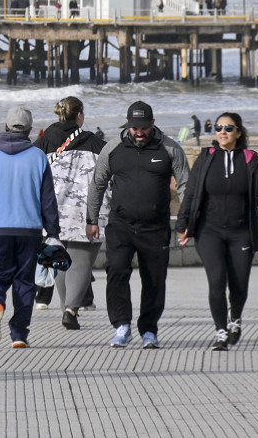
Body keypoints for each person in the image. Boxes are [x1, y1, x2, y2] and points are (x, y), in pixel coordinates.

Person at [86, 101, 189, 350]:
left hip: (156, 228)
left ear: (152, 124)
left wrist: (187, 222)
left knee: (154, 279)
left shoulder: (170, 149)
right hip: (120, 224)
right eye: (134, 127)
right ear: (128, 125)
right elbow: (97, 184)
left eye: (143, 127)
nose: (139, 132)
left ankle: (149, 330)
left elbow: (186, 186)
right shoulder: (113, 148)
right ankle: (122, 325)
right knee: (116, 271)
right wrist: (91, 220)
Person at [177, 112, 258, 351]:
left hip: (241, 231)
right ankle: (220, 331)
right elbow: (191, 194)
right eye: (218, 127)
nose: (222, 132)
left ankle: (235, 319)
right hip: (208, 231)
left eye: (228, 128)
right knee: (216, 281)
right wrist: (183, 226)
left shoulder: (251, 159)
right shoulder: (206, 157)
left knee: (239, 284)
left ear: (239, 133)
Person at [0, 106, 61, 349]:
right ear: (30, 129)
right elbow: (48, 200)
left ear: (6, 126)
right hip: (29, 230)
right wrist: (53, 233)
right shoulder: (38, 157)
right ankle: (19, 334)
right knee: (24, 282)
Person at [36, 96, 105, 331]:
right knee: (82, 261)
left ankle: (66, 305)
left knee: (59, 259)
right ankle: (70, 309)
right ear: (80, 116)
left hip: (51, 211)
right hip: (84, 212)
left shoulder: (44, 141)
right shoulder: (95, 143)